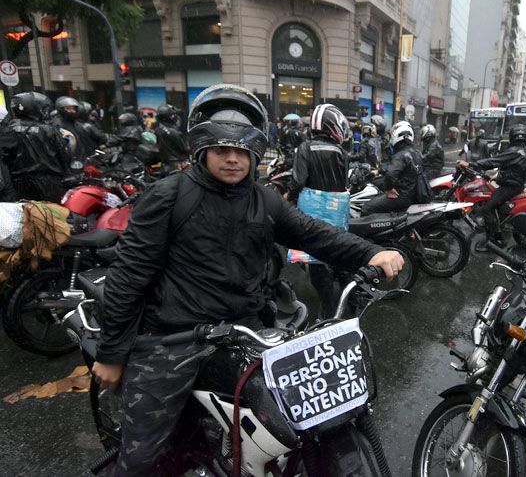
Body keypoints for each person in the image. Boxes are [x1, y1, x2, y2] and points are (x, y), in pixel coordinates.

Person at [91, 85, 404, 476]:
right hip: (175, 339)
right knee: (142, 461)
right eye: (223, 149)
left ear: (255, 152)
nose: (233, 159)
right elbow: (128, 275)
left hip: (247, 332)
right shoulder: (168, 195)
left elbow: (314, 234)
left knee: (294, 423)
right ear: (202, 148)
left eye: (242, 151)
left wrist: (370, 252)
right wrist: (111, 353)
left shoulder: (265, 199)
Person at [290, 103, 357, 319]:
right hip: (338, 215)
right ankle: (353, 307)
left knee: (318, 261)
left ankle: (326, 315)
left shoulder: (305, 148)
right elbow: (343, 184)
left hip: (312, 216)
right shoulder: (341, 152)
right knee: (341, 256)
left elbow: (298, 181)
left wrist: (289, 198)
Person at [456, 124, 526, 251]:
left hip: (511, 186)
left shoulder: (514, 151)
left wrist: (470, 164)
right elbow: (515, 169)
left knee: (487, 209)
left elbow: (493, 161)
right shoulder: (524, 151)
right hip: (514, 182)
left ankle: (495, 242)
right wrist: (498, 176)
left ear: (513, 136)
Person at [0, 92, 68, 201]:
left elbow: (4, 160)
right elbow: (64, 157)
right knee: (56, 214)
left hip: (19, 185)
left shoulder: (7, 130)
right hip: (51, 183)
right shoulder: (49, 130)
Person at [361, 120, 424, 216]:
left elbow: (391, 174)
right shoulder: (416, 153)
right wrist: (380, 170)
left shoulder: (401, 154)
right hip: (413, 194)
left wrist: (389, 189)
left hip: (402, 195)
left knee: (367, 208)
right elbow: (405, 170)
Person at [154, 104, 188, 168]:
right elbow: (185, 149)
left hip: (166, 163)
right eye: (174, 115)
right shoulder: (174, 132)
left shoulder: (158, 129)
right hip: (178, 163)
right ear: (170, 117)